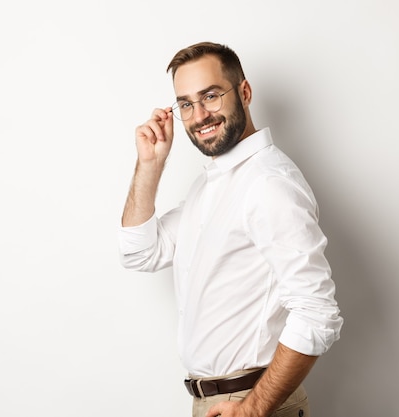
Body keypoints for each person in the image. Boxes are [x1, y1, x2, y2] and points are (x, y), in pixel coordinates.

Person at [117, 41, 343, 417]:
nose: (199, 114)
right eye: (186, 103)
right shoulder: (211, 186)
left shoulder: (269, 183)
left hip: (254, 402)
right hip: (216, 403)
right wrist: (151, 164)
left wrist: (253, 409)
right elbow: (139, 251)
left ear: (245, 92)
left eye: (210, 96)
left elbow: (318, 312)